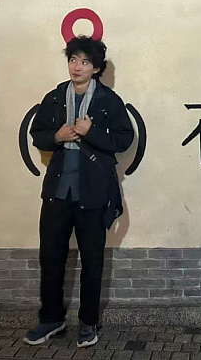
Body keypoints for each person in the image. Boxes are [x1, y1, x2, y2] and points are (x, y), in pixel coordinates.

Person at [24, 35, 134, 348]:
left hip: (92, 191)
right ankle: (51, 319)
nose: (77, 67)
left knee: (92, 261)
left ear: (96, 68)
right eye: (73, 60)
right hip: (58, 190)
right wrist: (57, 137)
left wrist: (92, 132)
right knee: (51, 257)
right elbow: (37, 134)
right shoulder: (55, 97)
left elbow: (124, 140)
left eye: (85, 62)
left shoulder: (108, 100)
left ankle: (88, 322)